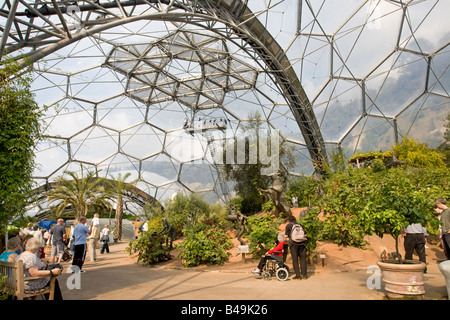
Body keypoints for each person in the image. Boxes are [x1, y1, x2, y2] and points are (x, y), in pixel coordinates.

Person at [285, 215, 308, 280]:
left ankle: (298, 276)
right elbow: (305, 234)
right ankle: (304, 275)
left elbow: (286, 236)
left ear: (289, 220)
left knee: (295, 260)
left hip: (294, 244)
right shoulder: (300, 225)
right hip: (302, 243)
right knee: (303, 259)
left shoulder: (289, 225)